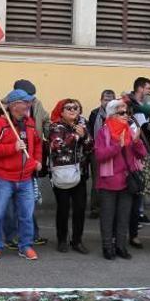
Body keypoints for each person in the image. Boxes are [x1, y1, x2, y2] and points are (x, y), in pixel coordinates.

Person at [0, 89, 43, 261]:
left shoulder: (30, 123)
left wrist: (37, 160)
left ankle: (25, 246)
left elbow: (38, 144)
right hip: (2, 178)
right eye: (25, 102)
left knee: (26, 215)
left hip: (25, 178)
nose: (29, 105)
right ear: (14, 105)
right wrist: (13, 148)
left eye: (29, 102)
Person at [94, 99, 147, 260]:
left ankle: (121, 246)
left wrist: (137, 142)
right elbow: (99, 155)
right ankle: (107, 247)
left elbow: (142, 154)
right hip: (109, 181)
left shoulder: (130, 131)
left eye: (127, 112)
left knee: (124, 216)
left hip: (127, 181)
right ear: (112, 114)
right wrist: (118, 146)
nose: (126, 115)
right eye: (122, 112)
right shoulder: (104, 132)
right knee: (108, 217)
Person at [48, 98, 93, 253]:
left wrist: (85, 135)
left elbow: (90, 147)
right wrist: (76, 135)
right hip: (62, 173)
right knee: (63, 208)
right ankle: (62, 240)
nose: (73, 110)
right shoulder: (56, 126)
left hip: (80, 173)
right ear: (61, 112)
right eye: (69, 108)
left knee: (80, 208)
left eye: (76, 108)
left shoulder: (83, 124)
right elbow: (58, 146)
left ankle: (77, 241)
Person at [127, 77, 150, 246]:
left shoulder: (147, 108)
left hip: (144, 150)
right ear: (139, 88)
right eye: (148, 88)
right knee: (129, 193)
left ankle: (136, 222)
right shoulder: (128, 103)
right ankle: (125, 231)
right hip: (130, 154)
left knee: (140, 188)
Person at [87, 89, 116, 219]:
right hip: (97, 151)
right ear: (101, 100)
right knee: (97, 181)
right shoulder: (94, 114)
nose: (108, 102)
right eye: (106, 100)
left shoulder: (119, 113)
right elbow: (90, 132)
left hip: (114, 151)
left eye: (111, 100)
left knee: (112, 179)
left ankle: (110, 208)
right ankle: (96, 208)